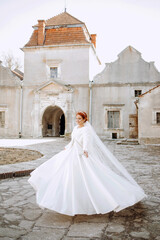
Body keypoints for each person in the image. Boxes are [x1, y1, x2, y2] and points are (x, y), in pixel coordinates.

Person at [28, 111, 147, 216]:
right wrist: (67, 147)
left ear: (85, 119)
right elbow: (73, 141)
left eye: (80, 118)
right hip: (71, 152)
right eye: (76, 118)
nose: (77, 120)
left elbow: (86, 140)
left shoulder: (86, 129)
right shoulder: (75, 128)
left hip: (81, 154)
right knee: (64, 172)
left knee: (90, 176)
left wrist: (85, 149)